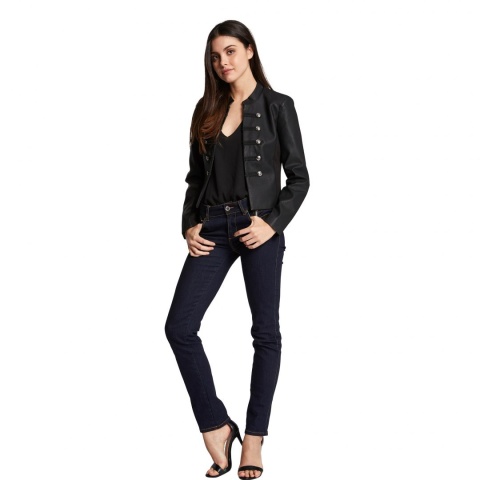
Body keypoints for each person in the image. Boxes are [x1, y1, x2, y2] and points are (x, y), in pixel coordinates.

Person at [165, 19, 310, 478]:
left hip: (257, 226)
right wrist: (189, 224)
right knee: (179, 327)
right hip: (212, 226)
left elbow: (299, 178)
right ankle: (215, 424)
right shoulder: (205, 110)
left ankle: (253, 438)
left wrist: (271, 223)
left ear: (249, 50)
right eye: (215, 56)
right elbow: (195, 179)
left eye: (230, 51)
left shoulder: (278, 105)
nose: (222, 62)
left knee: (265, 332)